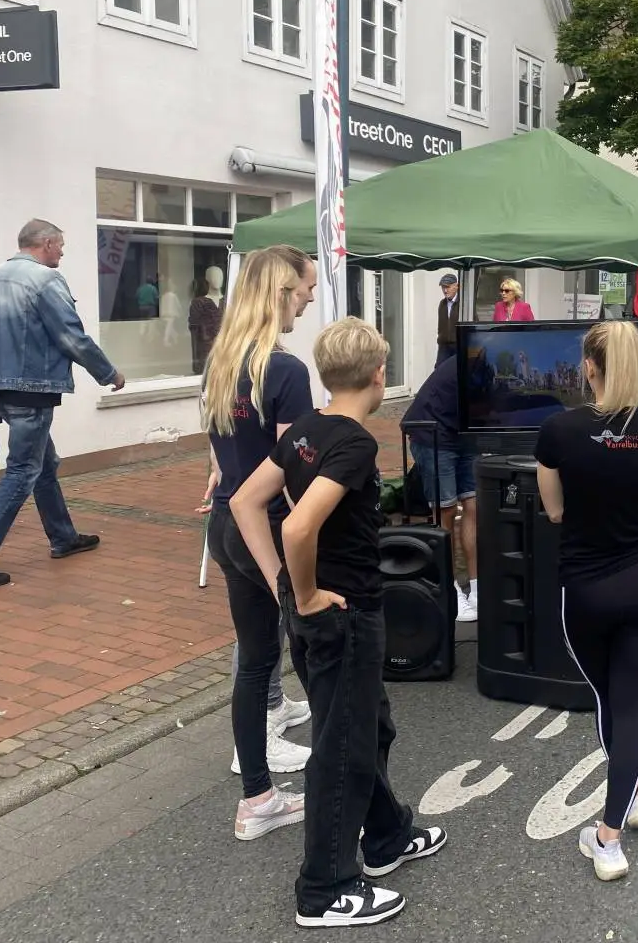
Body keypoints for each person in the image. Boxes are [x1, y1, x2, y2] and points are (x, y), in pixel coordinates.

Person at [232, 317, 446, 929]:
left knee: (367, 725)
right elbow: (297, 526)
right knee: (343, 744)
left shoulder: (305, 429)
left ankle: (386, 837)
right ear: (379, 374)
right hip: (341, 613)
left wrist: (283, 585)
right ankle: (323, 889)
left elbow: (248, 502)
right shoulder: (352, 441)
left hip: (327, 611)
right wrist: (301, 594)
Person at [535, 322, 638, 881]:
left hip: (585, 593)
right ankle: (624, 810)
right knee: (625, 706)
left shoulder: (558, 431)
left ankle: (610, 830)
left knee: (611, 702)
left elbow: (554, 510)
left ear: (590, 367)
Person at [198, 245, 318, 835]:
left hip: (225, 530)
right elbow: (298, 475)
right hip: (265, 531)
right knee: (306, 651)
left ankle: (257, 797)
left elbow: (222, 454)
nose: (312, 297)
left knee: (254, 662)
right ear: (280, 292)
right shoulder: (286, 371)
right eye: (305, 289)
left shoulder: (222, 360)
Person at [0, 220, 124, 588]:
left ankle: (63, 537)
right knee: (23, 470)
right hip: (32, 387)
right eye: (60, 245)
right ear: (45, 243)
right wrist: (109, 374)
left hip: (1, 385)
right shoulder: (45, 280)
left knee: (44, 464)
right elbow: (71, 336)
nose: (62, 252)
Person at [401, 354, 480, 621]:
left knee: (475, 506)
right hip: (432, 430)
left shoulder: (488, 362)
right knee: (445, 511)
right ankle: (449, 588)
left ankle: (477, 586)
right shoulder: (471, 354)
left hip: (463, 432)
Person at [435, 273, 460, 366]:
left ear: (456, 286)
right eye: (443, 287)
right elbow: (440, 325)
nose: (445, 290)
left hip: (458, 344)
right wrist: (440, 337)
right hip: (444, 345)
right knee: (439, 369)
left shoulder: (463, 303)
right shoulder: (442, 303)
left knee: (457, 371)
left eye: (448, 287)